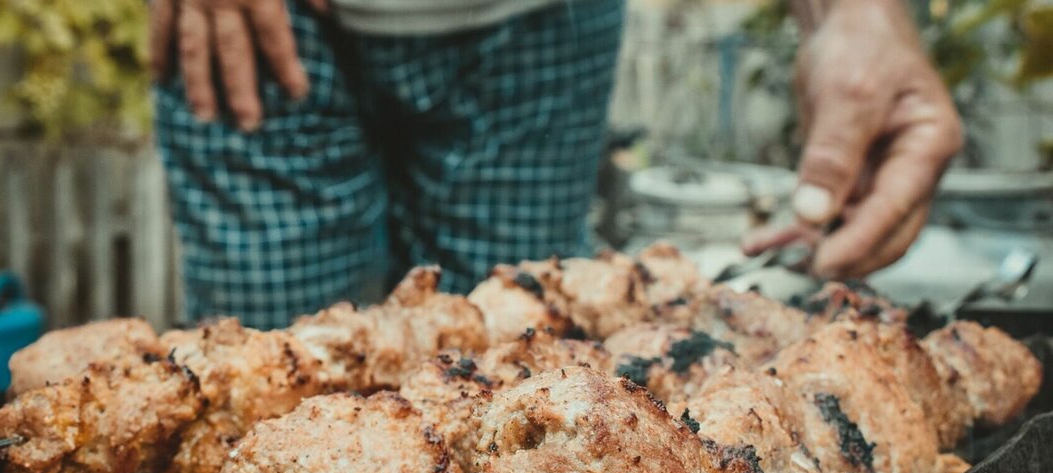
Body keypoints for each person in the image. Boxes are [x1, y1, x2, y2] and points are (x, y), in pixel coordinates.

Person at [148, 0, 961, 328]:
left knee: (520, 365)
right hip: (255, 21)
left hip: (541, 22)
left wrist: (853, 13)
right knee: (272, 378)